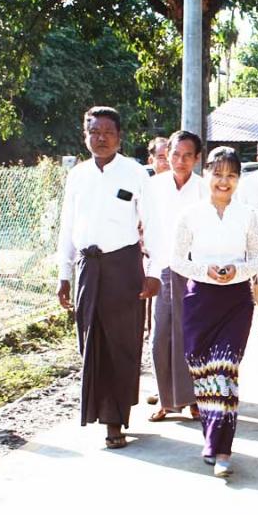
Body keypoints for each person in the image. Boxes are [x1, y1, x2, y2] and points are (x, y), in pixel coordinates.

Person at [56, 106, 161, 450]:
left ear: (119, 137)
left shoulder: (135, 173)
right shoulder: (77, 176)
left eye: (108, 132)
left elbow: (154, 226)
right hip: (88, 267)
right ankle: (101, 413)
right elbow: (67, 228)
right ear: (85, 136)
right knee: (91, 344)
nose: (101, 138)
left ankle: (115, 421)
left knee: (121, 344)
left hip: (124, 267)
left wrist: (153, 273)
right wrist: (64, 274)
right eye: (94, 132)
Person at [169, 146, 258, 477]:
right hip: (200, 300)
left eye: (231, 175)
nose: (224, 181)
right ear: (206, 173)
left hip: (236, 301)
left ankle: (222, 449)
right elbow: (177, 260)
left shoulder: (248, 215)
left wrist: (236, 271)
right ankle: (211, 439)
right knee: (204, 374)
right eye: (218, 174)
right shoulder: (190, 215)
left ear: (239, 179)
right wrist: (206, 270)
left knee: (225, 372)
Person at [141, 130, 206, 423]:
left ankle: (194, 399)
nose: (181, 161)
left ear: (197, 158)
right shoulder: (153, 186)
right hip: (161, 268)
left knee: (191, 335)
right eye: (176, 155)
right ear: (167, 155)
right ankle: (166, 400)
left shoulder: (204, 189)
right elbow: (141, 225)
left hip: (194, 269)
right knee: (160, 336)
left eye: (187, 156)